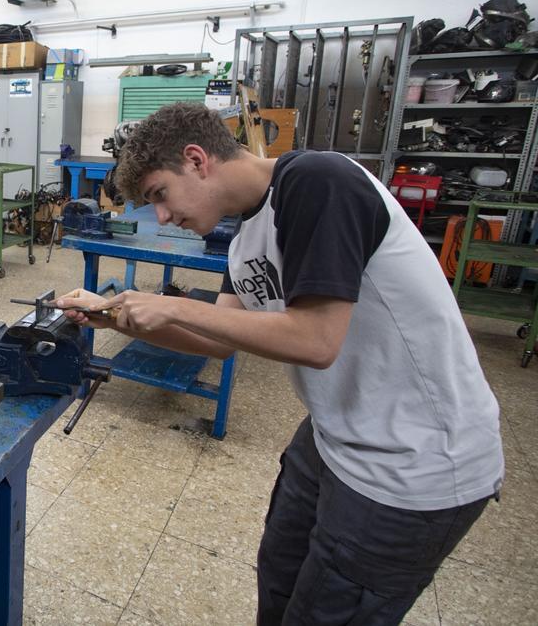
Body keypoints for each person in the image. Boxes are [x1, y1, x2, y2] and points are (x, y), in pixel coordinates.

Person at [57, 102, 503, 625]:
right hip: (335, 434)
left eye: (160, 195)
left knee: (326, 612)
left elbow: (316, 340)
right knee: (279, 581)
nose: (161, 216)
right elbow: (220, 339)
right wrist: (117, 320)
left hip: (415, 459)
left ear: (197, 160)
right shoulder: (245, 236)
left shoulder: (319, 180)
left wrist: (171, 303)